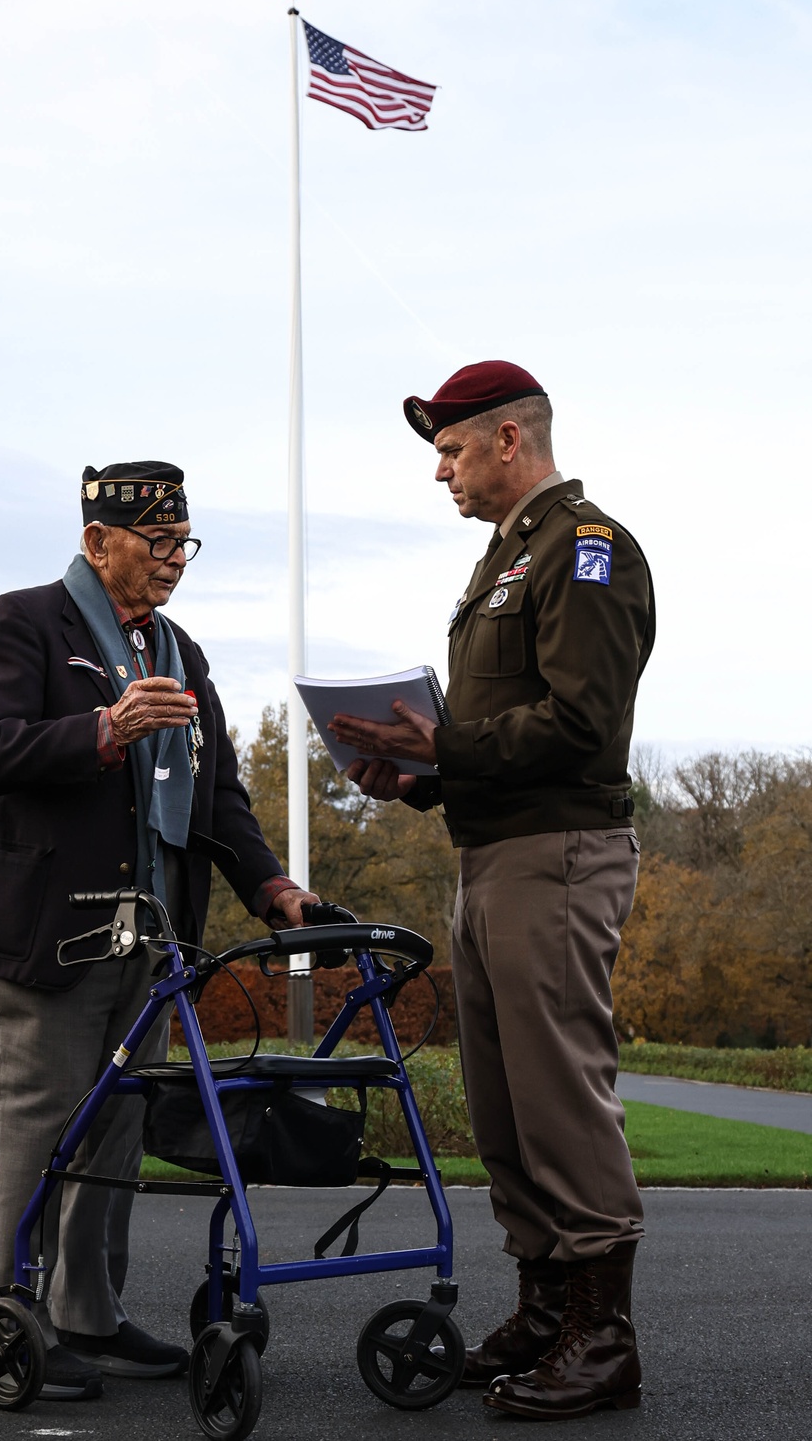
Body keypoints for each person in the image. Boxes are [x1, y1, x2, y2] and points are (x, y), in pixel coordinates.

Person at [0, 461, 317, 1401]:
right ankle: (8, 1323)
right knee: (38, 1139)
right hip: (40, 940)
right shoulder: (26, 621)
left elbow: (217, 795)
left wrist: (273, 885)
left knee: (112, 1137)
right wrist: (103, 731)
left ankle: (89, 1319)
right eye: (155, 543)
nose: (173, 561)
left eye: (182, 543)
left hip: (148, 946)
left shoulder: (181, 651)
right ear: (95, 540)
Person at [330, 362, 655, 1420]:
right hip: (493, 854)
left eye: (453, 449)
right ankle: (547, 1305)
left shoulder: (585, 548)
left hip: (557, 855)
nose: (441, 471)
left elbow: (582, 722)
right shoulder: (504, 559)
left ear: (509, 440)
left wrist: (447, 742)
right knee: (505, 1102)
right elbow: (493, 743)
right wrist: (419, 770)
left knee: (558, 1094)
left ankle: (603, 1337)